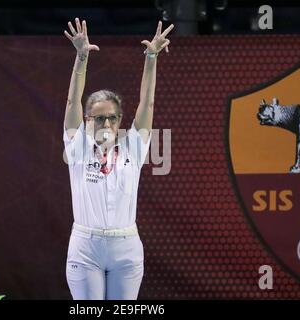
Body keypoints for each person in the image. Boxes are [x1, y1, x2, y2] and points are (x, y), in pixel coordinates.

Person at [63, 18, 173, 300]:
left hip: (126, 247)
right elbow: (72, 102)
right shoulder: (78, 149)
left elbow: (147, 103)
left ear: (120, 120)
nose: (106, 124)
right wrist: (81, 57)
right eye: (99, 118)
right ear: (87, 121)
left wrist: (151, 58)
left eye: (112, 118)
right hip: (85, 247)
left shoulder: (134, 148)